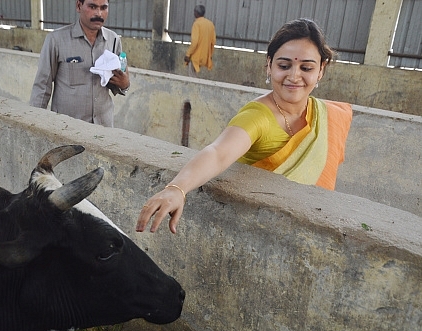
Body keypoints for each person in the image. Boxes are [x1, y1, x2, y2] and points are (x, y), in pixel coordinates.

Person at [137, 18, 352, 234]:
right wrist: (177, 188)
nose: (294, 76)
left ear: (321, 70)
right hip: (257, 232)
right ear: (269, 65)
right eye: (284, 66)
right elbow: (218, 152)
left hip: (311, 233)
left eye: (306, 67)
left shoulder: (329, 116)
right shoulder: (257, 115)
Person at [29, 0, 130, 127]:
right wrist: (34, 122)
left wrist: (124, 85)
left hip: (103, 126)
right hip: (67, 127)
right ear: (78, 6)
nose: (99, 13)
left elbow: (117, 80)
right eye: (92, 7)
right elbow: (42, 86)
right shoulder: (56, 40)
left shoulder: (113, 40)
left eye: (104, 8)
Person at [184, 5, 216, 77]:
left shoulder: (196, 24)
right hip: (205, 56)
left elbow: (195, 42)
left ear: (196, 13)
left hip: (196, 56)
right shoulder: (210, 24)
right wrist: (210, 55)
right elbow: (213, 42)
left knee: (191, 77)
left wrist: (188, 54)